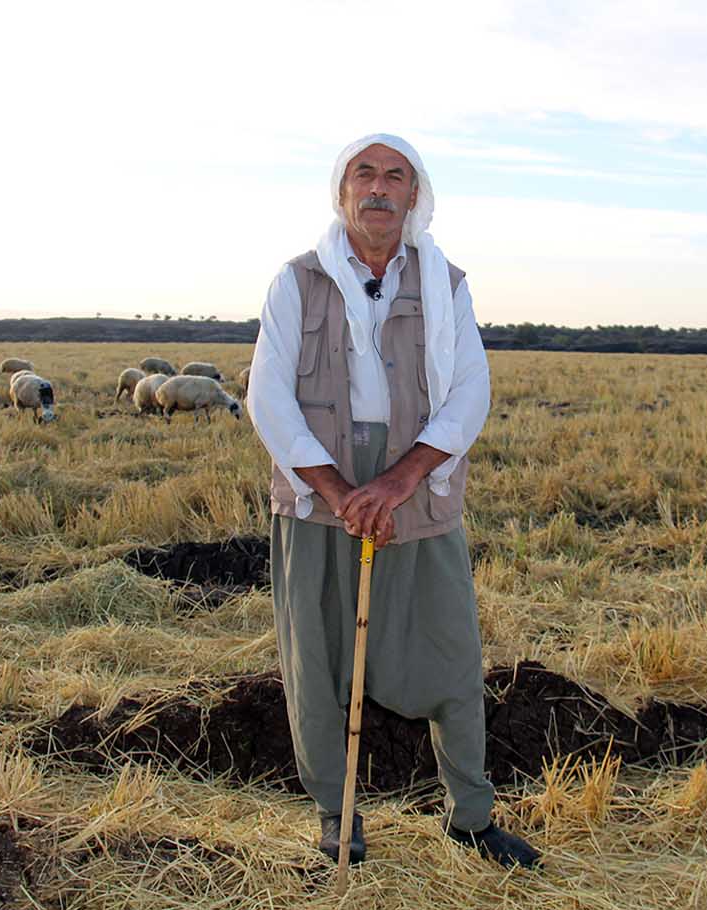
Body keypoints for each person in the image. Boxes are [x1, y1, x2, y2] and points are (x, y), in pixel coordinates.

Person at [247, 133, 540, 869]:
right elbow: (267, 398)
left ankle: (469, 818)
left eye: (395, 177)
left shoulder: (447, 281)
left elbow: (471, 392)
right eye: (364, 175)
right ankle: (335, 821)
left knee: (451, 651)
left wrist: (402, 478)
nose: (379, 189)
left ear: (416, 195)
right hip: (318, 496)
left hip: (419, 492)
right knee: (316, 661)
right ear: (343, 191)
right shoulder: (297, 280)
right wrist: (342, 490)